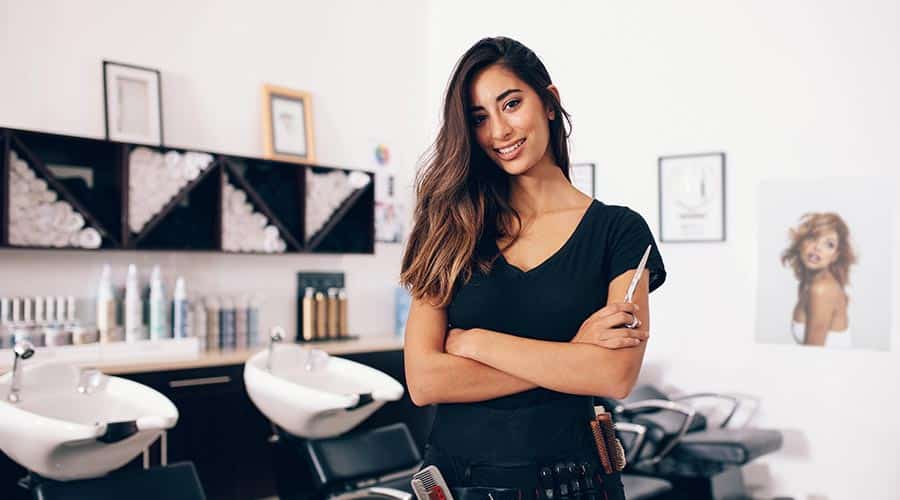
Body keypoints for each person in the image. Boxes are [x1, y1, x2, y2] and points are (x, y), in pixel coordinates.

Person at [400, 36, 666, 500]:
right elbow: (424, 381)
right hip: (457, 484)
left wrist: (477, 343)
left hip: (576, 484)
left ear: (549, 102)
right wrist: (573, 353)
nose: (499, 131)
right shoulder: (449, 226)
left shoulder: (620, 231)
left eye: (511, 103)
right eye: (479, 118)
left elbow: (614, 376)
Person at [781, 212, 856, 348]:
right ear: (801, 242)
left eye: (829, 244)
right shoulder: (809, 284)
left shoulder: (822, 289)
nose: (817, 247)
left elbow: (813, 357)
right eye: (813, 237)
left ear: (835, 256)